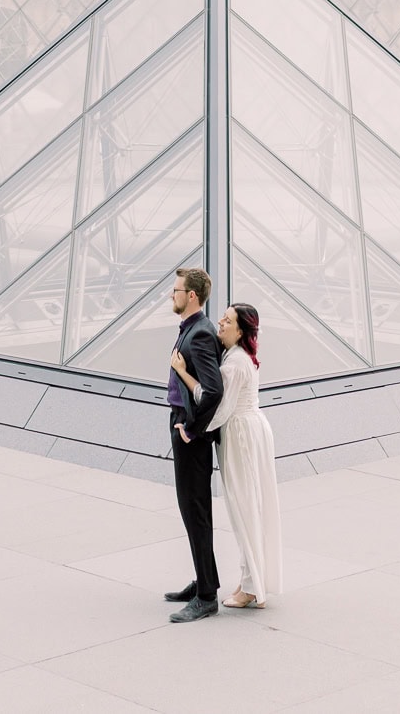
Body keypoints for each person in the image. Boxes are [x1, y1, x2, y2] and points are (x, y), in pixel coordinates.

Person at [171, 301, 283, 610]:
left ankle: (250, 588)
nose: (220, 322)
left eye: (227, 320)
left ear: (241, 329)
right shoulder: (239, 357)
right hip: (251, 431)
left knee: (243, 511)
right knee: (253, 508)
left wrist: (191, 428)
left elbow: (218, 407)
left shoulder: (234, 363)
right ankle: (253, 582)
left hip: (240, 436)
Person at [164, 266, 223, 624]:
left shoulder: (200, 334)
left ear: (192, 296)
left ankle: (206, 597)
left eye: (176, 290)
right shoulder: (191, 329)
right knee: (191, 510)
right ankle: (203, 580)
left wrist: (192, 428)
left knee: (195, 510)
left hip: (188, 432)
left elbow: (213, 390)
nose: (172, 295)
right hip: (183, 426)